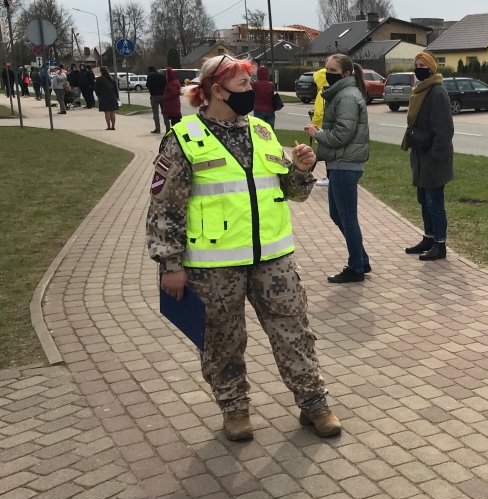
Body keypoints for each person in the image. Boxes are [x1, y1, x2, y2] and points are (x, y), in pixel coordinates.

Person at [146, 53, 342, 442]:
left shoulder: (262, 131)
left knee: (294, 332)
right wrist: (170, 264)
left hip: (274, 259)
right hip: (213, 266)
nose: (251, 92)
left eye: (250, 84)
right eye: (242, 86)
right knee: (222, 340)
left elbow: (289, 193)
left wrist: (301, 171)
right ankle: (234, 410)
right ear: (216, 90)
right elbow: (166, 206)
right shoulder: (184, 138)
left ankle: (314, 403)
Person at [303, 54, 371, 283]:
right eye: (326, 68)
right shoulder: (340, 94)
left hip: (346, 164)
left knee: (348, 217)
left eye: (332, 69)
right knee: (337, 214)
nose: (328, 72)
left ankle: (356, 268)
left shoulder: (347, 97)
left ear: (346, 73)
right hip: (339, 163)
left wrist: (317, 134)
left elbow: (343, 133)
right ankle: (361, 259)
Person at [402, 53, 453, 262]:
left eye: (422, 65)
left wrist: (434, 156)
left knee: (435, 202)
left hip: (434, 159)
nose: (419, 68)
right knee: (423, 200)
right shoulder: (420, 91)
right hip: (420, 156)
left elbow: (445, 131)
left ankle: (440, 244)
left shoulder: (437, 93)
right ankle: (429, 237)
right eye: (416, 65)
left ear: (432, 68)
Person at [311, 68, 330, 187]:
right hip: (326, 127)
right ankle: (329, 176)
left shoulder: (322, 92)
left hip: (321, 127)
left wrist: (314, 122)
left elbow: (319, 112)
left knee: (326, 154)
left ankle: (329, 176)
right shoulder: (329, 90)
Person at [146, 65, 167, 134]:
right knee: (165, 113)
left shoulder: (150, 76)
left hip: (154, 95)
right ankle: (168, 128)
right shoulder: (162, 76)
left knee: (155, 113)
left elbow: (147, 85)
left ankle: (158, 128)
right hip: (163, 95)